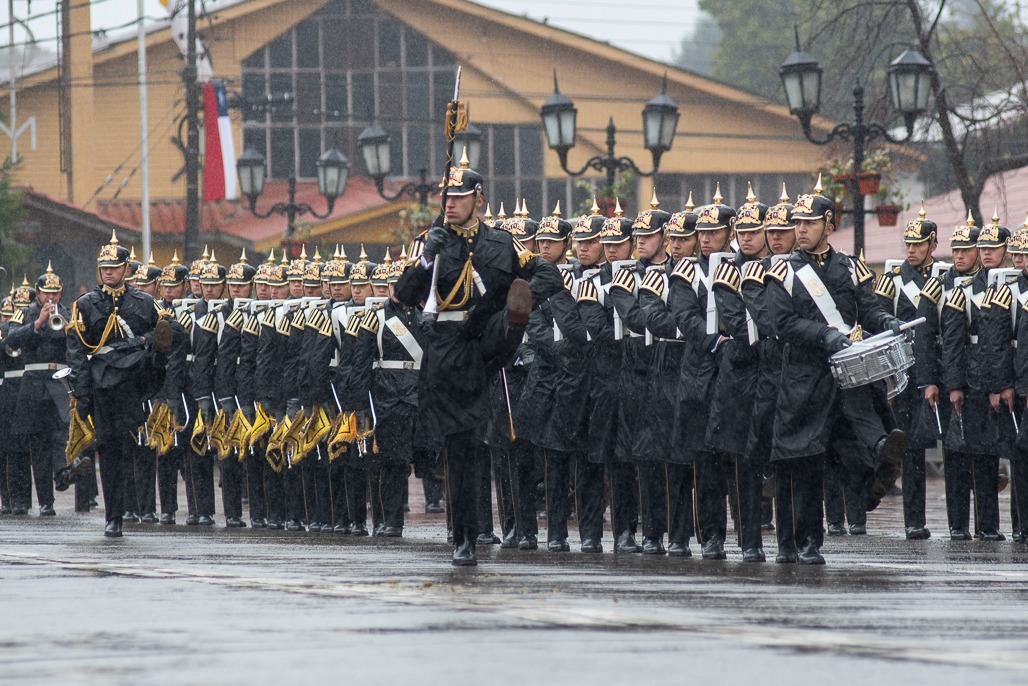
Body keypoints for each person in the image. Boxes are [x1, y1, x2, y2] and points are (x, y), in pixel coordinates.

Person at [393, 151, 563, 565]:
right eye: (446, 196)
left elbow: (549, 274)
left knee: (474, 439)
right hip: (447, 347)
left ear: (479, 199)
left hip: (485, 341)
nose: (450, 203)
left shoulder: (501, 243)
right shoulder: (431, 240)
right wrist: (427, 258)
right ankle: (466, 535)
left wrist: (513, 306)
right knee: (462, 446)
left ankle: (513, 322)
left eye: (459, 196)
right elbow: (401, 297)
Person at [764, 182, 906, 564]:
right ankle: (799, 543)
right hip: (804, 377)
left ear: (828, 224)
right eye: (797, 223)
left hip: (846, 376)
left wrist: (887, 321)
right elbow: (783, 322)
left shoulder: (850, 267)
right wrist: (824, 335)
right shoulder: (782, 270)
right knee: (802, 462)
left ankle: (877, 467)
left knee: (853, 447)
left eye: (809, 222)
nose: (801, 229)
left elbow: (867, 310)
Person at [65, 231, 172, 537]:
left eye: (114, 266)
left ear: (127, 268)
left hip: (134, 383)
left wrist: (147, 340)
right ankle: (114, 516)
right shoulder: (86, 304)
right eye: (104, 267)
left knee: (132, 451)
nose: (108, 271)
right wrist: (82, 392)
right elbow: (77, 351)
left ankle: (136, 509)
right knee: (109, 450)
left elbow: (168, 329)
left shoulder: (143, 302)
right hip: (101, 384)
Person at [938, 212, 1008, 540]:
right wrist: (953, 385)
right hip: (969, 380)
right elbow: (952, 342)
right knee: (959, 453)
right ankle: (958, 525)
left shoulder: (1010, 288)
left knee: (988, 457)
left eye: (993, 248)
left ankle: (989, 525)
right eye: (982, 248)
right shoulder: (963, 290)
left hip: (1000, 380)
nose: (986, 254)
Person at [873, 204, 939, 540]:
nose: (911, 250)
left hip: (930, 374)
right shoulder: (892, 280)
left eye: (917, 244)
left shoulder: (943, 278)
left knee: (921, 449)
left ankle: (922, 521)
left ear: (932, 245)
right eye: (907, 244)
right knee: (903, 447)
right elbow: (877, 323)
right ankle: (909, 520)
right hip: (899, 375)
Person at [742, 187, 797, 561]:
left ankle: (792, 541)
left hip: (793, 369)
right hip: (752, 371)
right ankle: (750, 541)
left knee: (793, 458)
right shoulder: (741, 271)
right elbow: (763, 320)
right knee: (752, 459)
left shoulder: (800, 267)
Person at [5, 263, 71, 517]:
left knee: (60, 434)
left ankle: (63, 473)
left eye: (54, 293)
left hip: (59, 380)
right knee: (38, 443)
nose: (50, 298)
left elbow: (78, 344)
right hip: (33, 383)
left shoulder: (68, 312)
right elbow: (11, 340)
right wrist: (39, 322)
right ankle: (46, 501)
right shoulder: (25, 313)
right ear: (37, 292)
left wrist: (67, 329)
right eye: (46, 293)